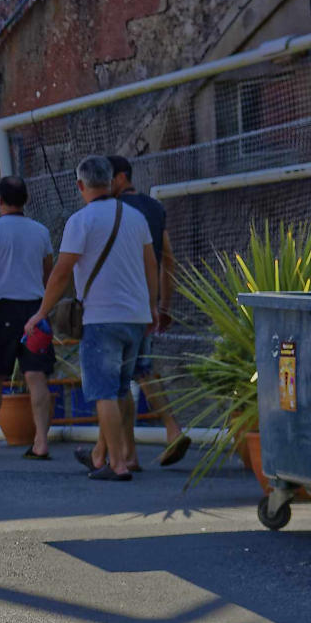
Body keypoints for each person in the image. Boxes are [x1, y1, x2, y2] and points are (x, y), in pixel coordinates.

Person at [24, 156, 158, 481]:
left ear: (80, 185)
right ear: (112, 181)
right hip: (136, 316)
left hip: (101, 316)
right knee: (122, 388)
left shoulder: (81, 221)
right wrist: (153, 307)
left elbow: (61, 273)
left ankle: (118, 465)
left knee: (103, 392)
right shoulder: (137, 217)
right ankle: (110, 454)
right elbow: (151, 265)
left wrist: (41, 312)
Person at [102, 155, 191, 467]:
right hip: (147, 302)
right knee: (141, 370)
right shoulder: (155, 209)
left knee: (119, 378)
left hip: (116, 303)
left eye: (108, 178)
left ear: (121, 178)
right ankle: (140, 446)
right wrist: (164, 304)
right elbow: (168, 259)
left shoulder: (111, 210)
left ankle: (126, 451)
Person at [0, 177, 57, 460]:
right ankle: (41, 442)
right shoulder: (41, 232)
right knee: (36, 375)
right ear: (26, 200)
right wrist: (44, 307)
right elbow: (49, 273)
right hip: (34, 308)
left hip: (2, 310)